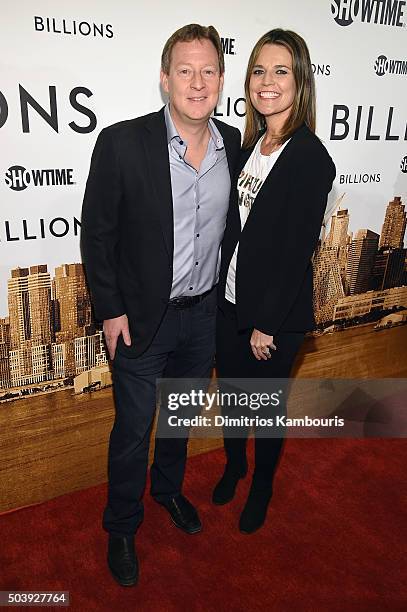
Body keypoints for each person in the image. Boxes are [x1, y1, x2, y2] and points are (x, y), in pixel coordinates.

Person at [81, 23, 240, 586]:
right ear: (165, 79)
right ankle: (121, 525)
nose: (197, 83)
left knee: (179, 418)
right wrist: (111, 308)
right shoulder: (122, 143)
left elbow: (232, 231)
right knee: (132, 430)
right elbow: (97, 234)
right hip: (142, 321)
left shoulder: (234, 145)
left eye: (208, 71)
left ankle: (168, 491)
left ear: (222, 79)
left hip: (202, 317)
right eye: (185, 71)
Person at [212, 29, 336, 534]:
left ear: (300, 81)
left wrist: (266, 322)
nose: (267, 82)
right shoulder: (248, 149)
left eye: (280, 71)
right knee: (235, 398)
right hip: (230, 304)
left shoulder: (310, 158)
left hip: (273, 318)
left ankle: (261, 483)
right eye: (259, 71)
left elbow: (294, 251)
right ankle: (234, 465)